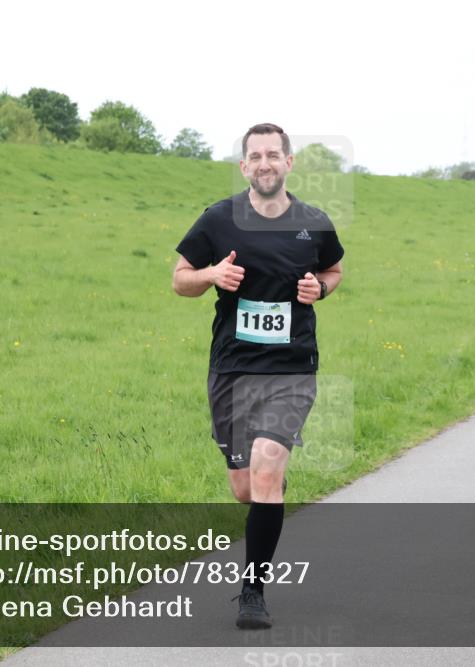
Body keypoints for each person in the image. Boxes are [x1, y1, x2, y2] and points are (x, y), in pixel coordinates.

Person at [172, 123, 344, 629]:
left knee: (265, 468)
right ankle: (271, 481)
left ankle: (253, 593)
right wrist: (211, 275)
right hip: (232, 369)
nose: (265, 163)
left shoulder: (314, 223)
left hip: (291, 368)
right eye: (256, 156)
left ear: (289, 162)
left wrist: (320, 289)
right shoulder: (218, 220)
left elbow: (334, 270)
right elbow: (180, 279)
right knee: (246, 489)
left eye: (274, 154)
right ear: (245, 165)